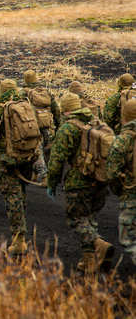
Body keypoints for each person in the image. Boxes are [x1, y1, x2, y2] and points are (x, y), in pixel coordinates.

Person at [47, 92, 115, 273]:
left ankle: (98, 244)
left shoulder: (68, 128)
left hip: (79, 182)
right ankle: (88, 261)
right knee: (89, 217)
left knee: (76, 219)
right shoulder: (97, 123)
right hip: (100, 180)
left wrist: (51, 183)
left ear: (65, 110)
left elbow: (56, 160)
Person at [0, 79, 42, 256]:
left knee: (12, 197)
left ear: (1, 90)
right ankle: (21, 228)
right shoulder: (26, 106)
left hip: (6, 160)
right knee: (21, 193)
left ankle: (19, 240)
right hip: (26, 157)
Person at [106, 98, 136, 267]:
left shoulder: (122, 140)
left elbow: (112, 174)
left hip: (131, 193)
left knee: (128, 237)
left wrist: (121, 191)